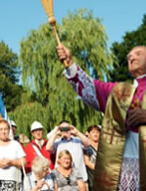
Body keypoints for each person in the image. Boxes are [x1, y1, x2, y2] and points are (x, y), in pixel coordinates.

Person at [57, 44, 146, 190]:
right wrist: (70, 63)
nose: (132, 57)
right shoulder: (120, 93)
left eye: (138, 53)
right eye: (129, 55)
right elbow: (93, 89)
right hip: (124, 164)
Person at [0, 119, 27, 191]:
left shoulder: (16, 144)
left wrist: (12, 162)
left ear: (9, 130)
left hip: (15, 184)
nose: (3, 132)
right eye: (1, 129)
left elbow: (24, 162)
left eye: (5, 129)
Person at [84, 125, 100, 191]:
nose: (95, 134)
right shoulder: (87, 147)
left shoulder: (103, 146)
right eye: (93, 132)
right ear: (89, 134)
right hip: (92, 175)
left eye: (97, 132)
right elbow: (87, 162)